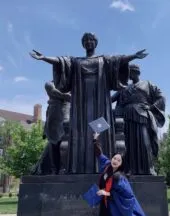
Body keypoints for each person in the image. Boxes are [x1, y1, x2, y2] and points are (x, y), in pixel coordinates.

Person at [29, 33, 148, 174]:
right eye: (86, 40)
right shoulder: (76, 61)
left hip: (100, 103)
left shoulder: (104, 60)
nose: (89, 42)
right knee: (81, 131)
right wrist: (44, 58)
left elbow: (119, 60)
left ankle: (102, 166)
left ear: (95, 43)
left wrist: (133, 56)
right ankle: (79, 166)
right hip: (81, 104)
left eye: (91, 40)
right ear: (83, 44)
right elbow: (61, 61)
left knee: (100, 130)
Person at [112, 64, 165, 175]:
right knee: (129, 145)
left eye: (131, 72)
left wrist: (151, 107)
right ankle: (129, 169)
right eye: (128, 72)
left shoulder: (147, 84)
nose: (129, 74)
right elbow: (110, 99)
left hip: (142, 116)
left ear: (137, 72)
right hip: (126, 118)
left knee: (144, 142)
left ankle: (148, 169)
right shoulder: (124, 87)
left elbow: (161, 97)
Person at [93, 132, 149, 216]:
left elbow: (128, 195)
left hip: (113, 207)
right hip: (104, 205)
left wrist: (105, 193)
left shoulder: (119, 178)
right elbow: (99, 154)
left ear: (120, 165)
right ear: (111, 159)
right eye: (114, 158)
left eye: (119, 160)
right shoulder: (107, 165)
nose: (115, 161)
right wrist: (95, 140)